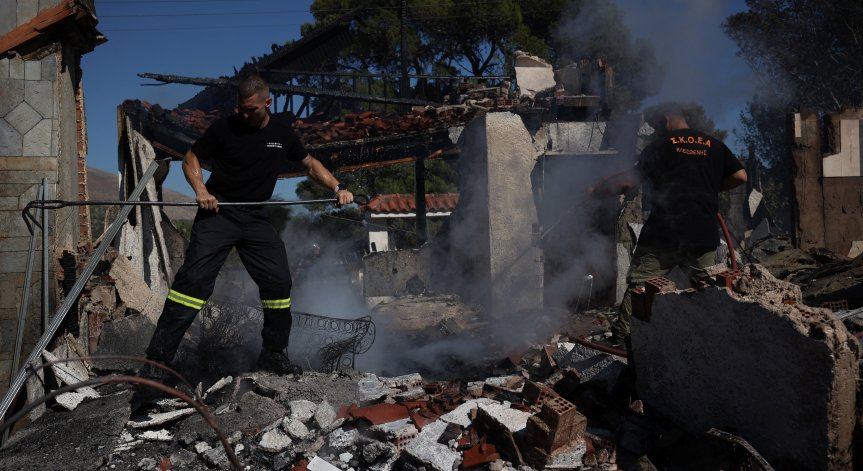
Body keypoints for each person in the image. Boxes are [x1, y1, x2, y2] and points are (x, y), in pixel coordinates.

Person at [139, 74, 353, 386]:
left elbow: (309, 163)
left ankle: (273, 352)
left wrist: (337, 187)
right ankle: (157, 361)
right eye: (241, 108)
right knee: (194, 283)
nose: (244, 114)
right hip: (219, 213)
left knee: (279, 283)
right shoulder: (224, 128)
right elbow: (191, 157)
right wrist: (200, 190)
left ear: (267, 103)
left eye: (250, 109)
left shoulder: (282, 134)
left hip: (255, 216)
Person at [589, 102, 747, 346]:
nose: (654, 132)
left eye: (654, 126)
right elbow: (740, 176)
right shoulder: (714, 145)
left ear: (665, 119)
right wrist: (709, 189)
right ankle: (724, 337)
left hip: (664, 233)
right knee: (711, 288)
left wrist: (595, 193)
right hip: (703, 233)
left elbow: (627, 183)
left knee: (640, 285)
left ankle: (621, 341)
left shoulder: (660, 146)